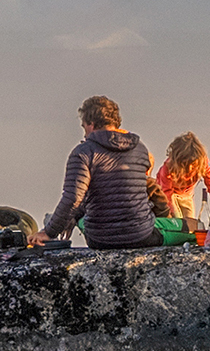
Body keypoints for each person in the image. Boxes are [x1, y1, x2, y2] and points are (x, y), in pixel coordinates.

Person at [46, 96, 160, 248]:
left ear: (91, 125)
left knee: (81, 216)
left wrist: (48, 233)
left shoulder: (83, 152)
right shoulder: (140, 148)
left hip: (101, 239)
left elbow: (73, 198)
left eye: (84, 127)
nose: (84, 134)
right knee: (183, 229)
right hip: (141, 235)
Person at [154, 132, 210, 246]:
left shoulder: (204, 163)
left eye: (193, 165)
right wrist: (175, 220)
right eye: (185, 165)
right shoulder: (167, 168)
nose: (190, 168)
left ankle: (188, 248)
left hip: (186, 196)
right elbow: (166, 196)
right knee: (177, 225)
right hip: (168, 195)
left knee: (191, 227)